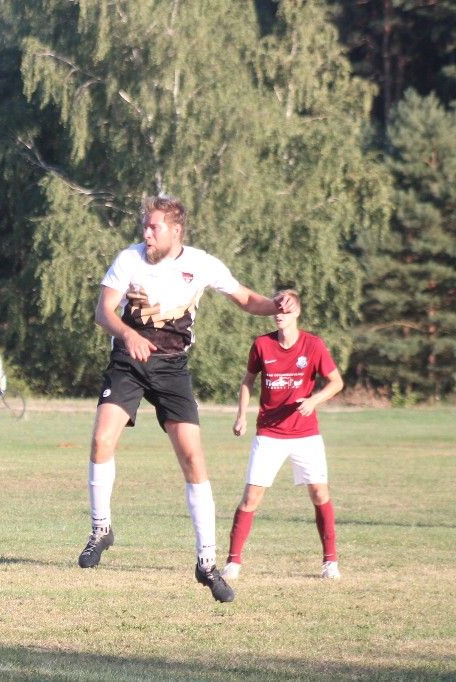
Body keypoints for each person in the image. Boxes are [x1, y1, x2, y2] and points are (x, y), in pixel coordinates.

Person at [79, 195, 297, 604]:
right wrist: (128, 335)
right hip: (127, 361)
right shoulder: (129, 260)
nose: (145, 233)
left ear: (175, 230)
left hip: (172, 369)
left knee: (194, 460)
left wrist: (276, 304)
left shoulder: (202, 264)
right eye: (144, 226)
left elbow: (247, 299)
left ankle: (206, 563)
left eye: (153, 227)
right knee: (100, 439)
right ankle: (101, 530)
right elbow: (103, 310)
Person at [223, 289, 344, 581]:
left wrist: (314, 400)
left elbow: (336, 382)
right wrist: (242, 414)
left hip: (305, 435)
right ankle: (233, 562)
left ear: (296, 313)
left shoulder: (313, 345)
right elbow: (248, 381)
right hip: (269, 433)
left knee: (320, 494)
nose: (280, 313)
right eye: (277, 307)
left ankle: (330, 562)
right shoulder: (262, 345)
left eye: (286, 309)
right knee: (251, 498)